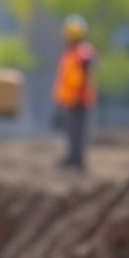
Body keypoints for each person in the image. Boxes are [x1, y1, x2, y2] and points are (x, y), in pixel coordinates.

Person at [53, 14, 96, 173]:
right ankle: (71, 158)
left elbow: (84, 71)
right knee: (71, 132)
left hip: (78, 100)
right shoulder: (70, 53)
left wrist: (77, 96)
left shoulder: (82, 52)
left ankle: (78, 161)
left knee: (77, 133)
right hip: (70, 99)